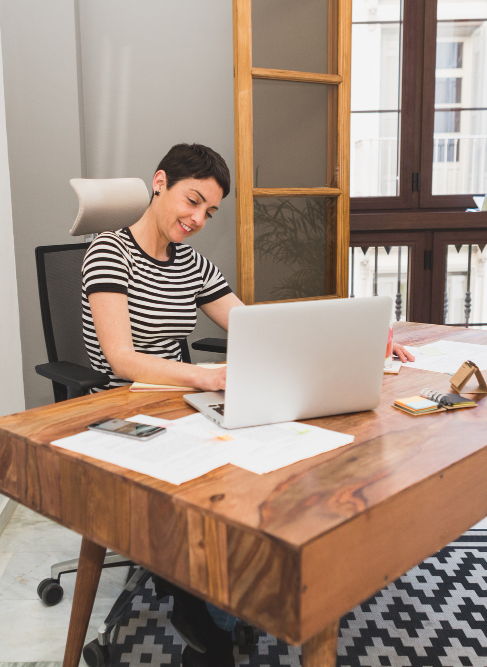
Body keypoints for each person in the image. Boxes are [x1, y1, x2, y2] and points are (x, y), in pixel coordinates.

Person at [80, 143, 414, 666]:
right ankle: (209, 623)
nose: (197, 219)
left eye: (209, 212)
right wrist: (208, 375)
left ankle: (231, 604)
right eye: (191, 201)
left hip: (179, 403)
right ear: (160, 181)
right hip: (121, 411)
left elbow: (257, 330)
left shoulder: (189, 263)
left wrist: (362, 342)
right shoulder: (108, 251)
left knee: (262, 468)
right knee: (205, 484)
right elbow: (121, 359)